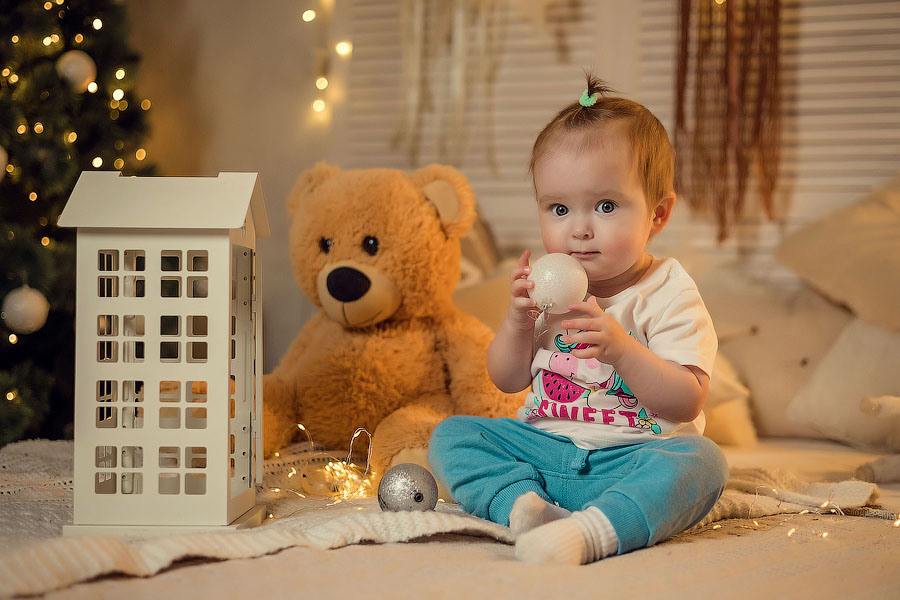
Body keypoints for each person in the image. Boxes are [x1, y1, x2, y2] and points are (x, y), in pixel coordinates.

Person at [427, 74, 729, 565]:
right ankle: (523, 506)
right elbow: (504, 381)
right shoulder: (548, 288)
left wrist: (622, 350)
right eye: (559, 208)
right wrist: (517, 324)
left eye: (606, 206)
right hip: (544, 448)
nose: (580, 229)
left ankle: (595, 530)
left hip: (631, 457)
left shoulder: (668, 291)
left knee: (704, 465)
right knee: (452, 436)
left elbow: (685, 400)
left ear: (658, 214)